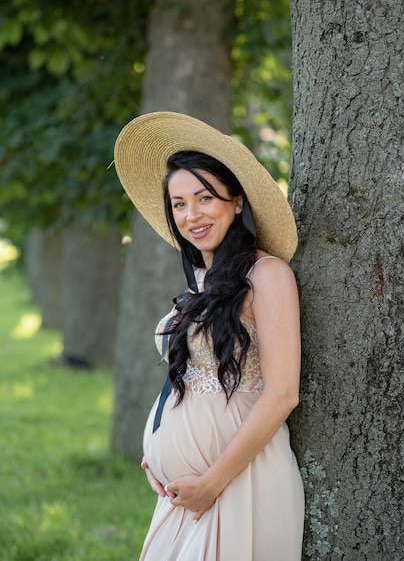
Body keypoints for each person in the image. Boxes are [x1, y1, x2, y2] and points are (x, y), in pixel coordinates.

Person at [114, 112, 304, 561]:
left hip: (240, 483)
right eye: (178, 203)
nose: (190, 215)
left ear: (237, 201)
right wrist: (158, 453)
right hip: (184, 494)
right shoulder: (200, 284)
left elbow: (282, 395)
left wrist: (210, 483)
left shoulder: (268, 274)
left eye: (204, 198)